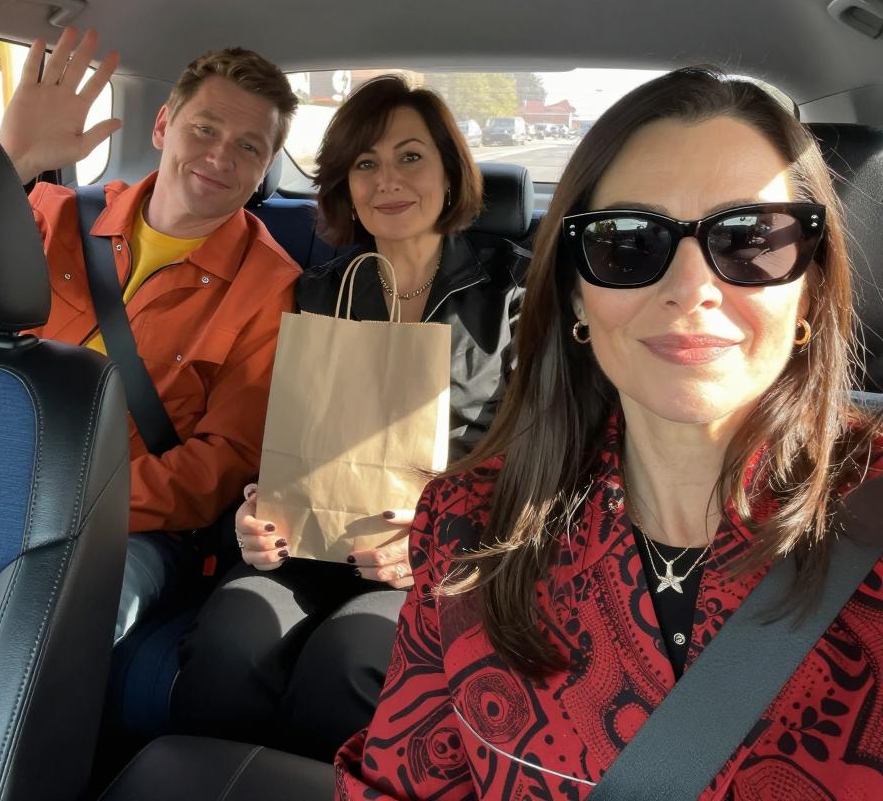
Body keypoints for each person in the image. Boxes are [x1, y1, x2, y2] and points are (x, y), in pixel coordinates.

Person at [335, 66, 883, 799]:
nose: (691, 288)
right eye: (628, 242)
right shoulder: (466, 526)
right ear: (576, 295)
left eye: (751, 238)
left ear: (811, 285)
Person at [174, 75, 529, 758]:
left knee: (349, 658)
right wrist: (254, 512)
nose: (387, 180)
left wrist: (444, 536)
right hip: (311, 542)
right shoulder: (316, 291)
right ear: (345, 186)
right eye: (365, 163)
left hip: (447, 556)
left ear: (450, 174)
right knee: (230, 641)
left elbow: (548, 457)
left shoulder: (517, 291)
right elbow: (275, 438)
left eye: (410, 157)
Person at [0, 27, 301, 639]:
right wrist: (12, 162)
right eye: (204, 129)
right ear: (163, 125)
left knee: (50, 622)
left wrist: (72, 502)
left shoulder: (268, 285)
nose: (220, 157)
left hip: (128, 526)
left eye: (248, 146)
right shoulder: (50, 214)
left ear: (265, 167)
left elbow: (224, 460)